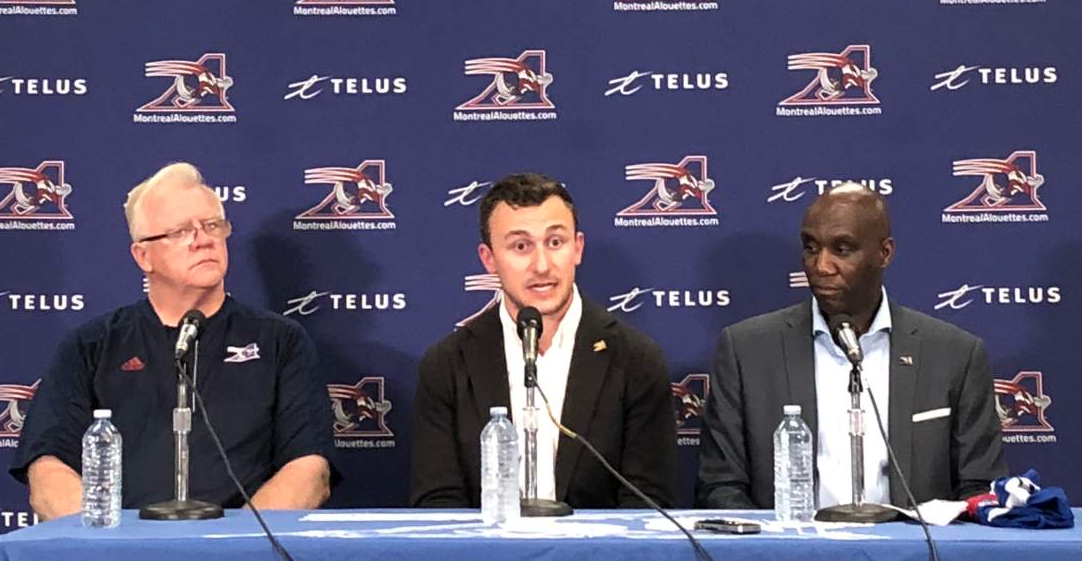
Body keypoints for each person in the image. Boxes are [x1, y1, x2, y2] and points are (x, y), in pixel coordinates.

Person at [11, 162, 338, 519]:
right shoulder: (92, 345)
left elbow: (309, 469)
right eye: (181, 231)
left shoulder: (280, 341)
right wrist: (111, 546)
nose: (203, 240)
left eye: (212, 225)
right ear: (143, 256)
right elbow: (48, 469)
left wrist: (233, 548)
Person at [696, 182, 1007, 509]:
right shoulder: (747, 350)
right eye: (811, 247)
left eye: (842, 249)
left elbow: (979, 488)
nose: (821, 267)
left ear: (885, 253)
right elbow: (721, 487)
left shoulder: (954, 354)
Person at [410, 172, 676, 508]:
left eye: (555, 242)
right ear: (488, 259)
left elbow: (648, 505)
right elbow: (438, 504)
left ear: (577, 248)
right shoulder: (448, 364)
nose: (542, 265)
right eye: (521, 246)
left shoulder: (635, 360)